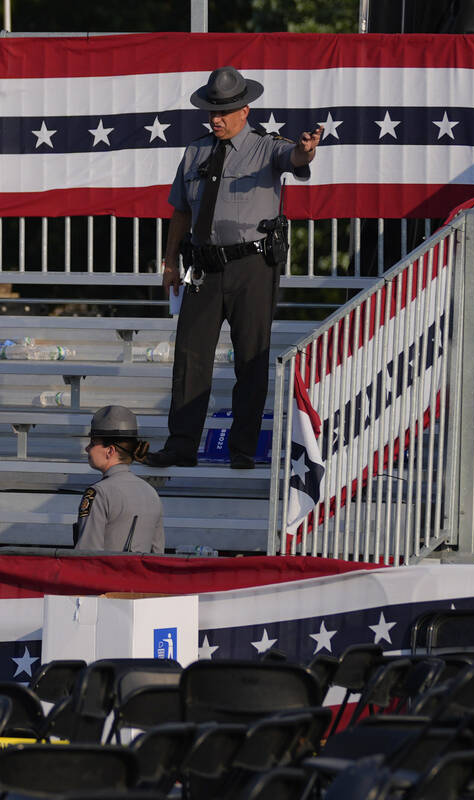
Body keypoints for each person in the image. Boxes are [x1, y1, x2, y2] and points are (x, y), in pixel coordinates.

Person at [146, 66, 322, 470]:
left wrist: (307, 149)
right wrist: (170, 261)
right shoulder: (195, 151)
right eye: (211, 111)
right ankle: (182, 445)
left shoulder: (267, 146)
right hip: (203, 267)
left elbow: (295, 157)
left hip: (252, 267)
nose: (215, 118)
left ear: (245, 109)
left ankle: (242, 448)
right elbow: (181, 211)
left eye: (223, 111)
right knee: (190, 358)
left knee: (251, 358)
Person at [74, 406, 165, 553]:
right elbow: (158, 554)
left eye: (92, 443)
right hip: (141, 575)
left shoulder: (99, 493)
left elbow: (87, 554)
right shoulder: (151, 492)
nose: (87, 449)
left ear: (110, 451)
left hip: (108, 575)